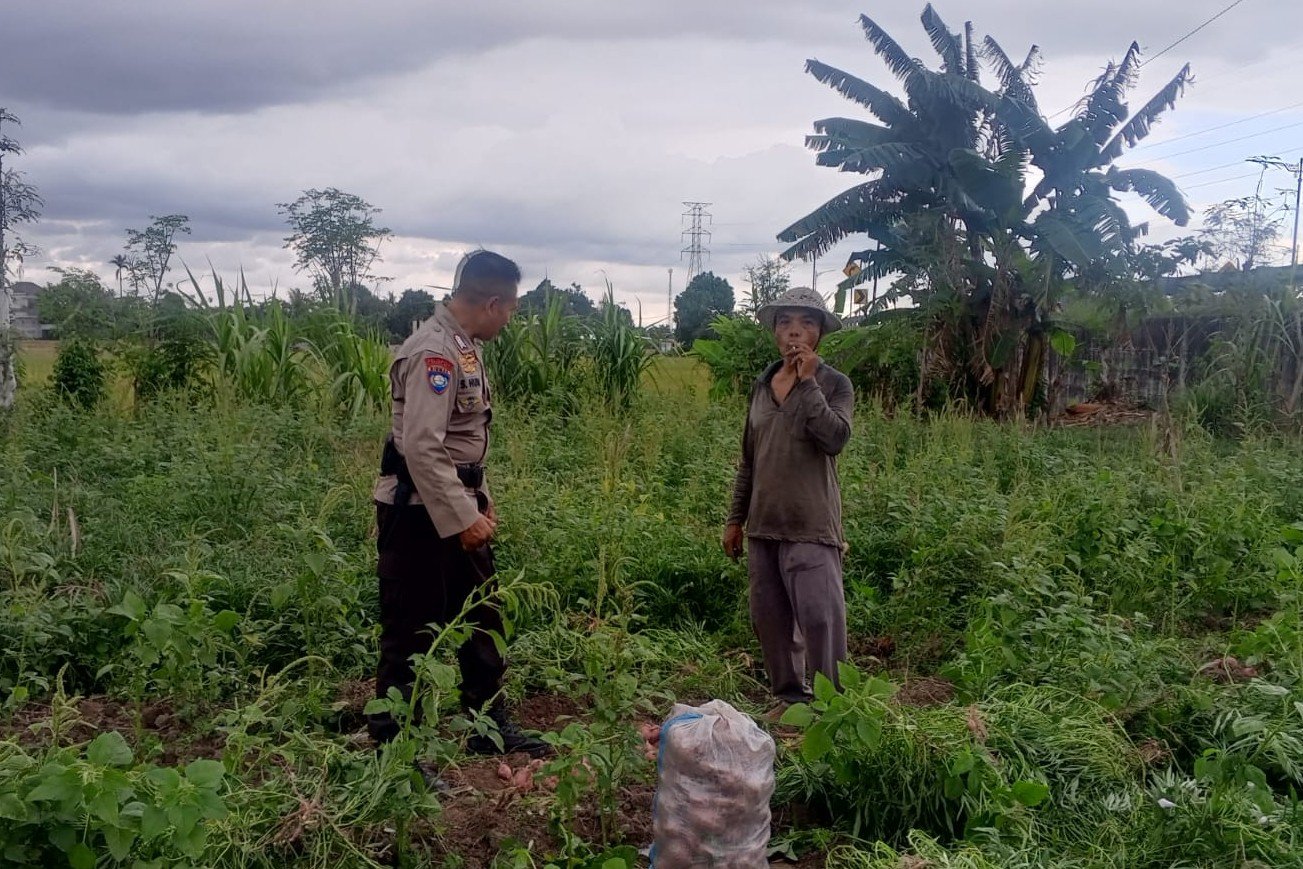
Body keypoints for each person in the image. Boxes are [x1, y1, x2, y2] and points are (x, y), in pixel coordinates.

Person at [368, 249, 549, 760]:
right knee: (412, 629)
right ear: (493, 302)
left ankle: (485, 726)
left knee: (482, 618)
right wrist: (461, 516)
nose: (511, 318)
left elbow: (463, 442)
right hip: (417, 514)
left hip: (455, 505)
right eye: (511, 308)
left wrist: (479, 505)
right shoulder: (435, 353)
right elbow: (422, 446)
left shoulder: (463, 347)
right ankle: (395, 749)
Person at [722, 287, 854, 716]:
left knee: (820, 618)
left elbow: (834, 439)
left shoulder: (835, 384)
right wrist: (734, 519)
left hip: (812, 524)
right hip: (764, 524)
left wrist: (809, 381)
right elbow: (749, 459)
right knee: (771, 620)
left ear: (820, 334)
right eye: (785, 322)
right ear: (774, 332)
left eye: (807, 323)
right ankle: (789, 697)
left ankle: (831, 707)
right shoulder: (762, 386)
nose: (795, 331)